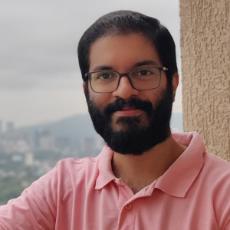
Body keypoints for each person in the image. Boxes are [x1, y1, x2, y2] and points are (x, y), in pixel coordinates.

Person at [0, 10, 229, 230]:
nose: (124, 91)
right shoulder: (64, 187)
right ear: (86, 90)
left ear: (173, 83)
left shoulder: (222, 192)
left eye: (144, 72)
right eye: (105, 76)